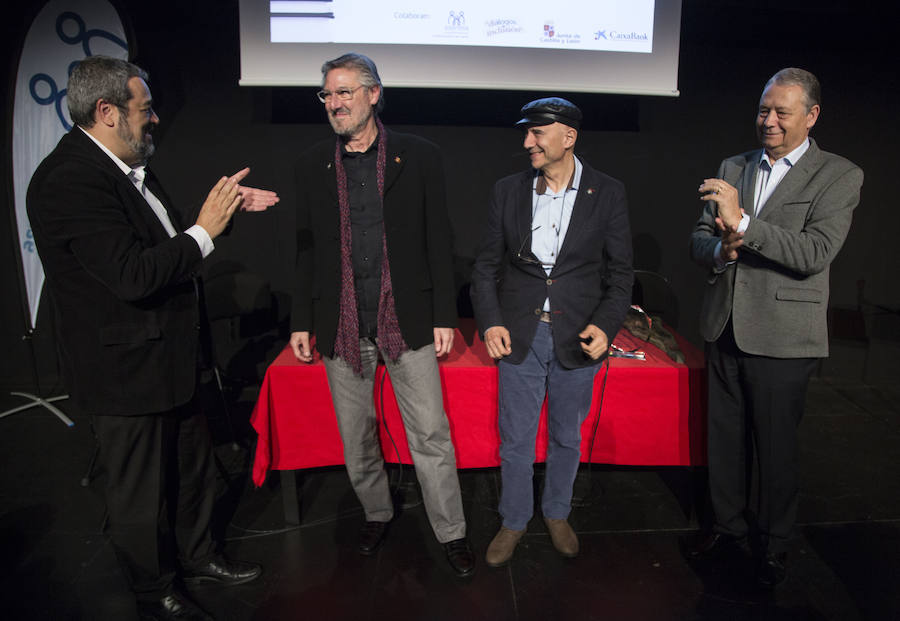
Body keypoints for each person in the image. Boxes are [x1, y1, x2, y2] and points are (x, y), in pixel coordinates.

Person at [27, 55, 277, 620]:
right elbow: (133, 275)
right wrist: (205, 230)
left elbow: (165, 242)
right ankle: (153, 591)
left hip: (171, 360)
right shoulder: (69, 180)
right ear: (107, 111)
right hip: (124, 373)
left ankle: (198, 557)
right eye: (146, 108)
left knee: (193, 472)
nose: (156, 118)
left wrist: (220, 216)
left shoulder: (127, 166)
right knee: (139, 495)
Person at [288, 53, 474, 578]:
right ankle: (376, 512)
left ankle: (452, 532)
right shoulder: (311, 164)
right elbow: (306, 250)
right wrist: (301, 319)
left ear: (374, 94)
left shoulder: (419, 156)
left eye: (344, 92)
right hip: (341, 323)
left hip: (406, 320)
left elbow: (438, 238)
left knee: (430, 435)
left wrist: (444, 313)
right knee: (356, 436)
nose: (334, 103)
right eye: (327, 94)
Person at [687, 68, 863, 588]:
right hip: (724, 324)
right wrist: (720, 250)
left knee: (776, 449)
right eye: (764, 109)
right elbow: (699, 238)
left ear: (811, 116)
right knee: (725, 442)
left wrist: (743, 224)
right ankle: (728, 527)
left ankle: (776, 541)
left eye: (782, 112)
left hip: (784, 334)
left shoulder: (838, 175)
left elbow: (814, 252)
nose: (769, 121)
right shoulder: (733, 165)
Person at [470, 98, 633, 567]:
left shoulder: (608, 192)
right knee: (516, 440)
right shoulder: (508, 190)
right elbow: (485, 267)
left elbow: (621, 274)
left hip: (578, 335)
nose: (528, 142)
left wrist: (605, 325)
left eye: (538, 133)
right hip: (520, 334)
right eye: (526, 133)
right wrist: (491, 320)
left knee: (566, 436)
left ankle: (557, 512)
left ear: (569, 136)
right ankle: (514, 519)